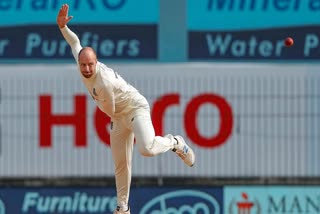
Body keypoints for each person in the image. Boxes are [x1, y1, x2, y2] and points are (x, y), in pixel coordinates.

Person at [56, 4, 195, 214]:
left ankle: (175, 142)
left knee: (146, 149)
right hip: (118, 115)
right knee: (121, 163)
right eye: (83, 65)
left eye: (90, 65)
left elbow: (109, 108)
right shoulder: (81, 60)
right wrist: (62, 27)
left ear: (96, 62)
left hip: (134, 108)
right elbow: (75, 42)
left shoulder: (104, 82)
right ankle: (123, 207)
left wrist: (113, 118)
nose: (86, 69)